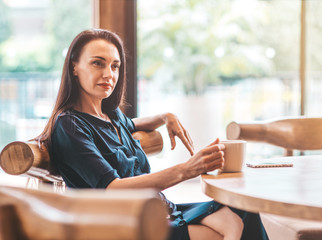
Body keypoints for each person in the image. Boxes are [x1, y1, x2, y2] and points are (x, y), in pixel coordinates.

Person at [37, 29, 268, 240]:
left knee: (243, 211)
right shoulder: (69, 126)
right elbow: (112, 188)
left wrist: (164, 117)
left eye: (115, 66)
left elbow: (131, 124)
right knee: (227, 229)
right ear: (74, 67)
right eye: (98, 63)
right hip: (124, 226)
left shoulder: (110, 114)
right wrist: (187, 170)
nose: (109, 74)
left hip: (161, 211)